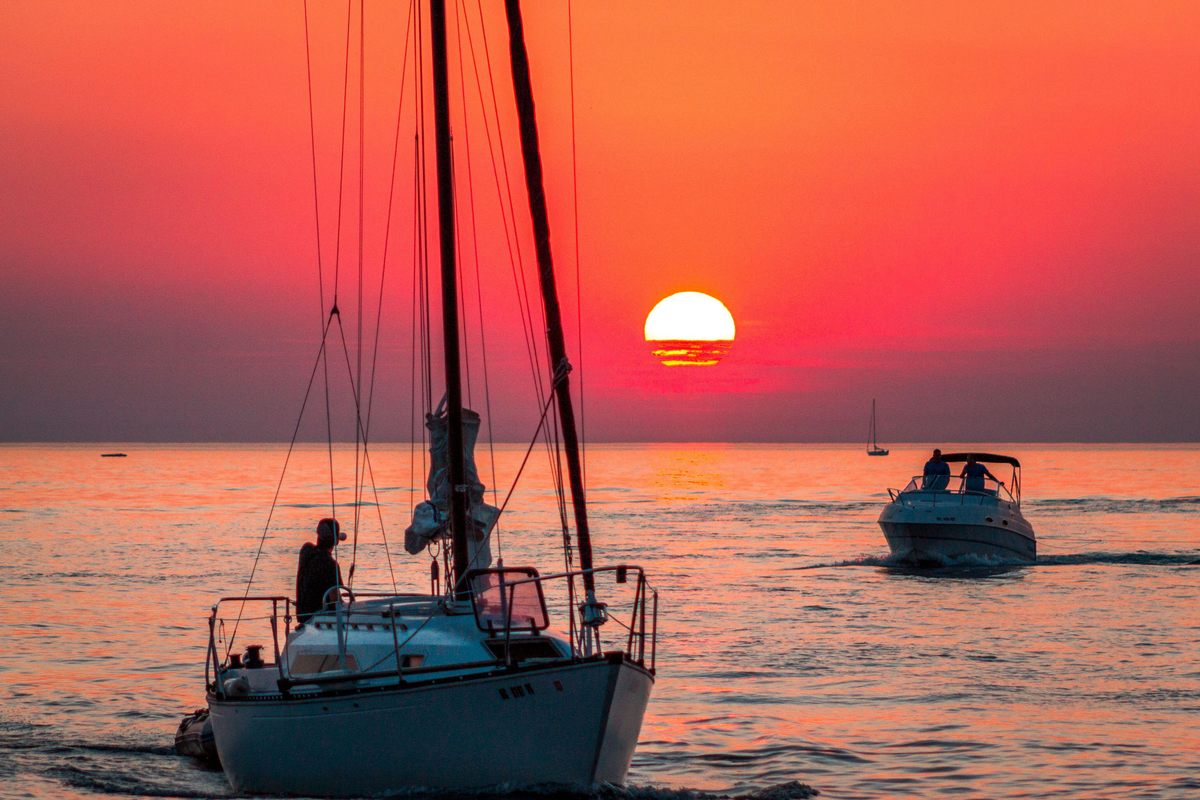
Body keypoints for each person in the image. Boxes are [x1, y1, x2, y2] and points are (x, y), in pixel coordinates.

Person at [296, 517, 346, 622]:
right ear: (336, 541)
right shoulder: (331, 564)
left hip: (303, 617)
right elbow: (335, 600)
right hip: (319, 618)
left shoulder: (306, 550)